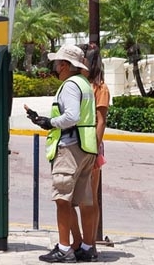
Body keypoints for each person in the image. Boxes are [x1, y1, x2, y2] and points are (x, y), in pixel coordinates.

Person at [25, 44, 98, 263]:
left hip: (70, 148)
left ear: (65, 65)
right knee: (84, 199)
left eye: (57, 64)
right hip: (86, 148)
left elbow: (71, 116)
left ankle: (65, 248)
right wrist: (43, 119)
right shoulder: (84, 84)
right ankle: (86, 247)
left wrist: (49, 122)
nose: (55, 68)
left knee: (62, 200)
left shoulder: (70, 85)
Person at [78, 42, 109, 262]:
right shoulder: (80, 84)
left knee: (90, 198)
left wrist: (94, 148)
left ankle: (91, 244)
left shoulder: (100, 88)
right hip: (77, 144)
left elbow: (101, 121)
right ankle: (82, 242)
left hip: (91, 146)